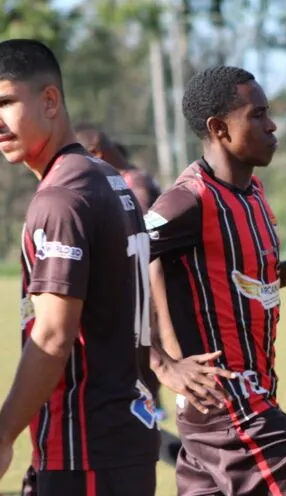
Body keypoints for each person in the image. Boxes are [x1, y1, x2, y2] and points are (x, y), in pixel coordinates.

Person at [0, 38, 230, 496]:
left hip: (86, 445)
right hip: (103, 437)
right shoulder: (107, 181)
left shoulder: (63, 200)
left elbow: (54, 333)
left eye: (5, 103)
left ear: (49, 101)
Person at [138, 65, 286, 496]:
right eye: (258, 115)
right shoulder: (186, 201)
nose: (273, 126)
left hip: (229, 406)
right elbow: (122, 264)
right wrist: (162, 363)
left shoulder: (252, 195)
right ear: (219, 128)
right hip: (233, 407)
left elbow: (235, 284)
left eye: (269, 113)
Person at [73, 123, 169, 422]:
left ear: (96, 152)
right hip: (139, 276)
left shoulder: (131, 182)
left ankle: (150, 402)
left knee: (149, 338)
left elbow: (139, 230)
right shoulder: (124, 178)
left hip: (151, 276)